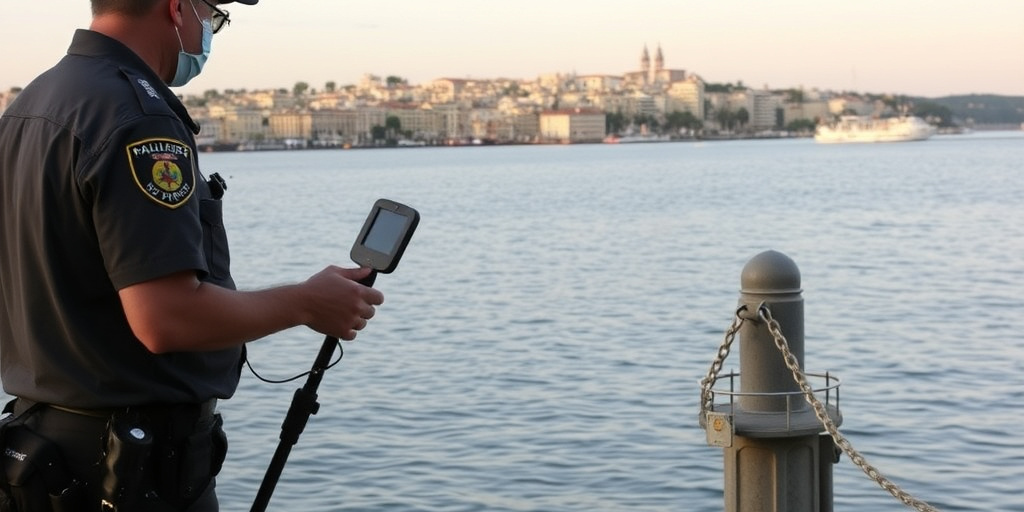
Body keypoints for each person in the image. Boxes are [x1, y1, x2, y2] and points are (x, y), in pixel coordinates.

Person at [0, 1, 384, 510]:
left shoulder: (28, 106)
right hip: (126, 473)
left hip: (36, 457)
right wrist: (306, 303)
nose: (212, 29)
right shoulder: (138, 118)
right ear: (178, 8)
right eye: (214, 15)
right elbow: (166, 318)